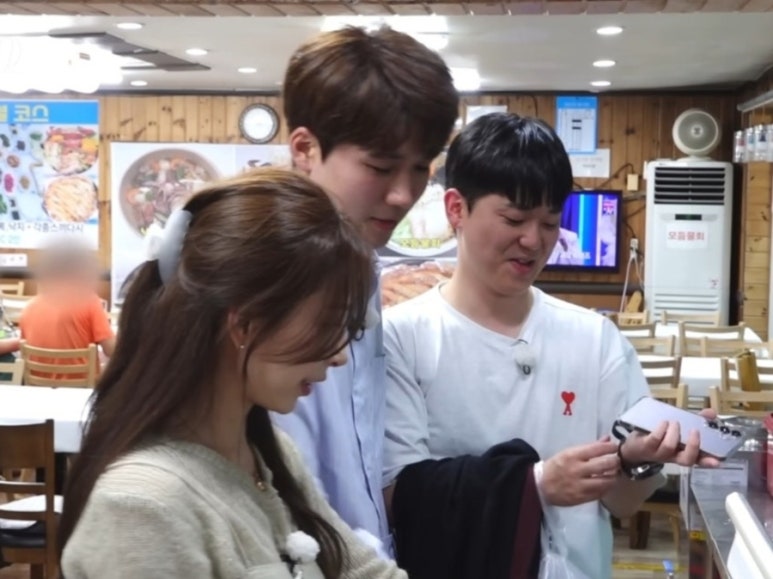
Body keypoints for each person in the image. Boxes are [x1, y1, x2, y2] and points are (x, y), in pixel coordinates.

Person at [381, 113, 718, 579]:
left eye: (549, 222)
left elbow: (621, 504)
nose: (533, 240)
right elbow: (397, 497)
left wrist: (633, 462)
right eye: (514, 219)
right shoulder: (402, 337)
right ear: (456, 209)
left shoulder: (595, 338)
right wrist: (535, 484)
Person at [58, 169, 407, 579]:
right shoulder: (144, 506)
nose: (339, 356)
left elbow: (366, 572)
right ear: (244, 324)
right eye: (328, 324)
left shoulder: (268, 452)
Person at [272, 25, 459, 555]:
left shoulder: (361, 271)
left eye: (421, 168)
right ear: (306, 149)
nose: (403, 194)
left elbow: (358, 451)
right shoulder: (261, 279)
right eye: (379, 166)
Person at [19, 243, 114, 381]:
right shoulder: (89, 301)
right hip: (82, 387)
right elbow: (111, 350)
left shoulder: (29, 307)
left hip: (37, 387)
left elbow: (24, 349)